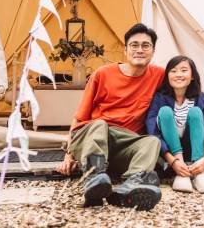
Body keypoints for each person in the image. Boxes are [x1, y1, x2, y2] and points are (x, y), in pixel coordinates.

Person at [55, 23, 164, 211]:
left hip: (124, 143)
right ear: (125, 50)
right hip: (93, 136)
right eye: (134, 45)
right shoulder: (103, 73)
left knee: (152, 142)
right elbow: (80, 118)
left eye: (145, 46)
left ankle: (131, 185)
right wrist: (69, 155)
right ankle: (93, 175)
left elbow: (187, 81)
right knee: (99, 125)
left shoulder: (159, 75)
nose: (139, 50)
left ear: (153, 52)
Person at [145, 55, 204, 194]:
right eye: (173, 71)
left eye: (184, 70)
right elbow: (152, 131)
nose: (178, 74)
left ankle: (198, 173)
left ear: (192, 76)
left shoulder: (200, 99)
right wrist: (173, 162)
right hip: (170, 154)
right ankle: (181, 172)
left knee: (196, 112)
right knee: (165, 112)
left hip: (195, 152)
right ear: (167, 76)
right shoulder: (159, 98)